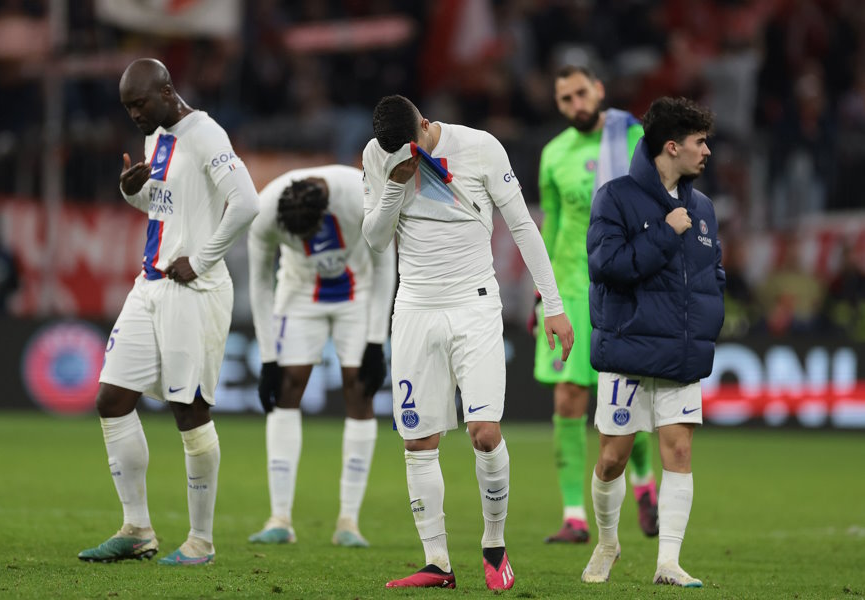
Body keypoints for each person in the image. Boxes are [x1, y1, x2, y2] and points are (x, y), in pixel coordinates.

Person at [363, 95, 575, 591]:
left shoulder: (481, 147)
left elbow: (522, 225)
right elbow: (374, 239)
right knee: (418, 440)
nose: (407, 156)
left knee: (483, 431)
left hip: (473, 305)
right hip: (414, 307)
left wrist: (553, 304)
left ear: (425, 124)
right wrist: (394, 185)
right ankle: (437, 563)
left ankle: (494, 546)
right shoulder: (378, 155)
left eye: (411, 146)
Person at [77, 58, 259, 565]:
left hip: (195, 291)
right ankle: (137, 528)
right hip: (151, 283)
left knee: (189, 409)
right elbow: (166, 208)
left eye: (139, 104)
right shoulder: (156, 137)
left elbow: (247, 203)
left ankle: (201, 541)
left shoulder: (206, 134)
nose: (134, 115)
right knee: (112, 399)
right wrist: (132, 191)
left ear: (166, 92)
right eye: (127, 108)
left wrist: (201, 260)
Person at [581, 96, 723, 588]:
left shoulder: (703, 208)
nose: (707, 151)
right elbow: (606, 266)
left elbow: (712, 273)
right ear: (672, 146)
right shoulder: (615, 197)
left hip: (680, 352)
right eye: (700, 142)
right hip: (629, 351)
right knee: (612, 459)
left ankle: (668, 563)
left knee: (678, 453)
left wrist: (708, 321)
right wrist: (663, 233)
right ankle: (607, 542)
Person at [531, 65, 659, 544]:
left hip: (621, 286)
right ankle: (574, 516)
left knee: (623, 397)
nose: (576, 104)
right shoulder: (553, 153)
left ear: (599, 90)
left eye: (581, 93)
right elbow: (552, 223)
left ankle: (643, 484)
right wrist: (543, 293)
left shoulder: (633, 138)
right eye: (565, 99)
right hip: (569, 287)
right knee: (568, 397)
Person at [246, 165, 396, 547]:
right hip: (299, 294)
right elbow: (260, 282)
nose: (305, 244)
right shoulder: (264, 211)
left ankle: (349, 521)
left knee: (359, 390)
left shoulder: (360, 194)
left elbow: (384, 263)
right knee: (286, 389)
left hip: (357, 293)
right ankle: (279, 518)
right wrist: (268, 358)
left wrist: (377, 340)